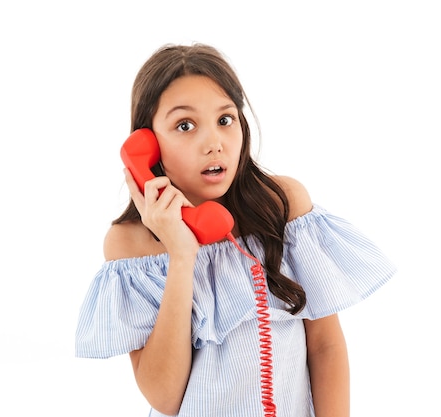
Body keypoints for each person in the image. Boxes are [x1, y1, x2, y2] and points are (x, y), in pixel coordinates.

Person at [74, 43, 396, 417]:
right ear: (146, 144)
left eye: (225, 120)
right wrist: (181, 255)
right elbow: (165, 397)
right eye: (184, 125)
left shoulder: (284, 208)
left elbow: (325, 346)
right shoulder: (130, 247)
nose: (214, 144)